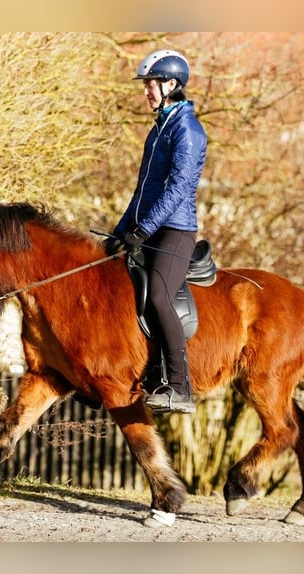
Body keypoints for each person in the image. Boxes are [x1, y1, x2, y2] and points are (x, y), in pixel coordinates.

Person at [106, 49, 208, 414]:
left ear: (171, 84)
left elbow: (178, 188)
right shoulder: (158, 129)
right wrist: (120, 233)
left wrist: (144, 229)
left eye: (151, 84)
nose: (146, 91)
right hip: (149, 227)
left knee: (159, 296)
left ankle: (180, 387)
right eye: (146, 85)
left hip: (175, 231)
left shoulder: (188, 130)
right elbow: (143, 190)